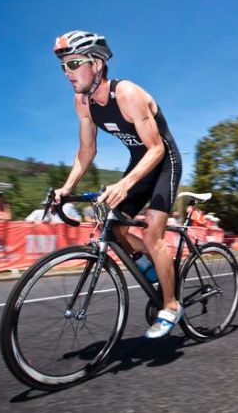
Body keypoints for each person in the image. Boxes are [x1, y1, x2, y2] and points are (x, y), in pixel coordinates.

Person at [52, 31, 183, 338]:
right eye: (64, 67)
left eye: (73, 64)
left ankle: (172, 305)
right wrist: (66, 187)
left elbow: (156, 149)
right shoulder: (82, 102)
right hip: (139, 163)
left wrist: (125, 184)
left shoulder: (127, 94)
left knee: (153, 236)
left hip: (164, 161)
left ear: (96, 64)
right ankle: (152, 268)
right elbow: (86, 151)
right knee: (117, 228)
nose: (68, 73)